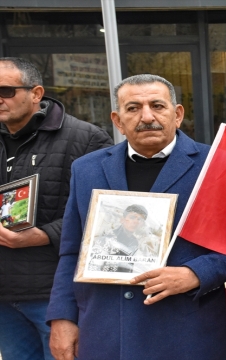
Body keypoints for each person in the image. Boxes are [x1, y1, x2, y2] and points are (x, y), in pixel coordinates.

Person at [46, 74, 226, 360]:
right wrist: (62, 318)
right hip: (104, 331)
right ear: (117, 120)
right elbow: (72, 251)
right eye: (133, 108)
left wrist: (195, 274)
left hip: (185, 331)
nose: (147, 117)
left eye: (157, 106)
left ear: (178, 114)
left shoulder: (216, 165)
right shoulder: (87, 169)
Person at [0, 57, 113, 360]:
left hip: (56, 296)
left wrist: (44, 235)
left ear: (36, 93)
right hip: (5, 295)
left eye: (6, 90)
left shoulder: (86, 139)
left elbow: (106, 216)